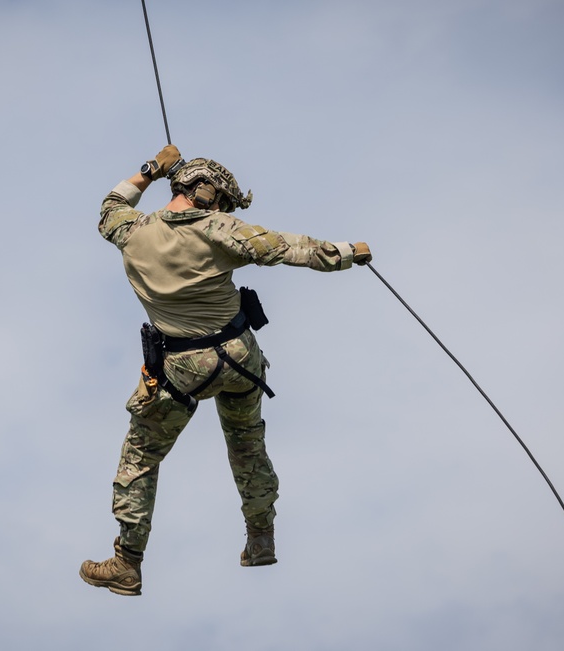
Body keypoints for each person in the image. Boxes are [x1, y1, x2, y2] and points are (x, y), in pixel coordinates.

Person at [79, 145, 372, 596]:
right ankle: (260, 540)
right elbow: (288, 248)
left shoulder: (131, 232)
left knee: (140, 459)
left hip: (179, 369)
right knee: (247, 445)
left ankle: (127, 564)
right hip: (239, 359)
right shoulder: (219, 228)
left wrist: (151, 170)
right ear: (207, 192)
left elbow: (109, 206)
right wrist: (348, 253)